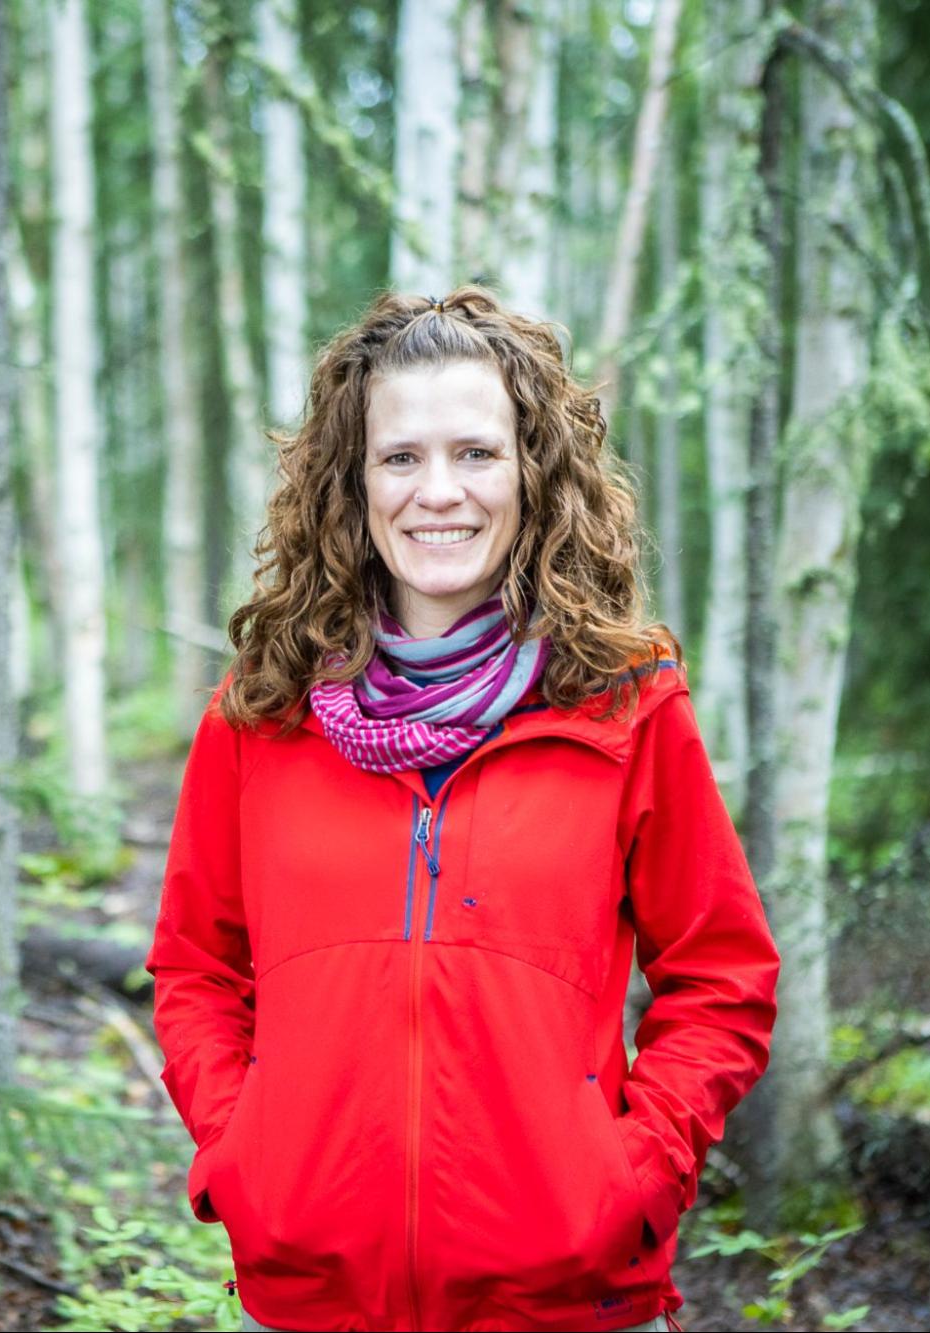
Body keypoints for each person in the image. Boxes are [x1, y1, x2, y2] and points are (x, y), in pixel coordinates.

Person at [144, 287, 781, 1333]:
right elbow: (195, 968)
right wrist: (240, 1152)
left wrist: (632, 1177)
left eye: (475, 453)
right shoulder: (260, 713)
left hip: (564, 1301)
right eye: (400, 457)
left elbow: (722, 976)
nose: (437, 492)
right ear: (353, 482)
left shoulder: (624, 707)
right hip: (312, 1300)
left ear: (533, 472)